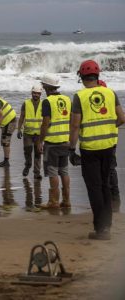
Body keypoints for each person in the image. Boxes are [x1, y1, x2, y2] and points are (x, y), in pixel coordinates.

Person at [69, 60, 125, 240]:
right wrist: (109, 128)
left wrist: (71, 149)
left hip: (90, 150)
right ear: (97, 75)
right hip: (109, 147)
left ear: (82, 77)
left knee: (94, 188)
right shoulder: (110, 93)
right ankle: (106, 226)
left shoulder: (80, 97)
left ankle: (101, 230)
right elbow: (122, 118)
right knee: (105, 185)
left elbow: (75, 126)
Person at [38, 73, 72, 209]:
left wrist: (40, 141)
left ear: (46, 87)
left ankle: (53, 201)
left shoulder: (47, 102)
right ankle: (67, 200)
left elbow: (45, 123)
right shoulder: (67, 99)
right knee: (64, 171)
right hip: (65, 141)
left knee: (52, 172)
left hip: (52, 143)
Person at [98, 79, 121, 212]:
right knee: (110, 168)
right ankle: (114, 196)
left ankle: (113, 196)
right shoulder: (111, 100)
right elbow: (121, 118)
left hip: (106, 141)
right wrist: (113, 127)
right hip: (111, 140)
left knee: (108, 169)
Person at [17, 84, 43, 179]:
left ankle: (37, 173)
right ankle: (27, 166)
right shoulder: (26, 103)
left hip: (39, 134)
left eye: (38, 93)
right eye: (34, 93)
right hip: (27, 133)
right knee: (27, 151)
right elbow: (21, 117)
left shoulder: (43, 104)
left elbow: (46, 119)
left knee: (38, 153)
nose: (36, 95)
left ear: (40, 94)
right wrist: (19, 129)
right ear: (31, 93)